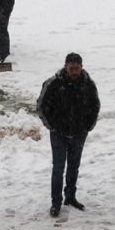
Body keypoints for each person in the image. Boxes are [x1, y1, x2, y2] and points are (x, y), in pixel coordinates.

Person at [37, 52, 100, 218]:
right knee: (58, 168)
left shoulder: (88, 84)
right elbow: (42, 106)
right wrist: (52, 126)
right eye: (71, 68)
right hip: (59, 133)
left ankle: (70, 197)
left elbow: (95, 105)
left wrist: (88, 126)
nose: (74, 72)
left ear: (81, 67)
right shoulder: (53, 83)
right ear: (66, 66)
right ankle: (55, 202)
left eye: (77, 69)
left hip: (79, 133)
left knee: (74, 166)